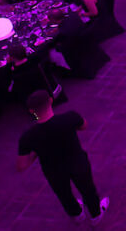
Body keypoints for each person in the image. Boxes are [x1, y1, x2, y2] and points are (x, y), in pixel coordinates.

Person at [17, 91, 108, 222]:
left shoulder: (28, 136)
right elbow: (84, 126)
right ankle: (96, 215)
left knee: (63, 194)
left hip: (53, 170)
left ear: (31, 111)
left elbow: (21, 166)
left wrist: (36, 151)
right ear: (50, 101)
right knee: (88, 189)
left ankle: (76, 214)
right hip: (78, 163)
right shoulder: (70, 117)